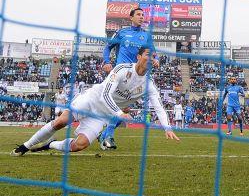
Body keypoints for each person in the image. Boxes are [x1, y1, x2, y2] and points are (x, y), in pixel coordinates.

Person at [11, 48, 179, 157]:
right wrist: (120, 113)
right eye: (148, 55)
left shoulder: (149, 84)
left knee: (80, 145)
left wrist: (167, 128)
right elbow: (105, 94)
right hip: (91, 100)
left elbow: (159, 107)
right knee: (61, 121)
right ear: (139, 57)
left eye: (154, 56)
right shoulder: (121, 69)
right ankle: (25, 146)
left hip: (103, 115)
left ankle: (51, 144)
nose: (152, 58)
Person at [99, 7, 158, 150]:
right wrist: (106, 61)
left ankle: (104, 134)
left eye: (143, 15)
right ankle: (108, 136)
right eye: (138, 14)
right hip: (120, 73)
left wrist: (155, 60)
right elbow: (107, 47)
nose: (141, 17)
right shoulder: (122, 32)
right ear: (131, 17)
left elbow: (153, 53)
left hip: (136, 77)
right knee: (114, 106)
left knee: (124, 110)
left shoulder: (146, 36)